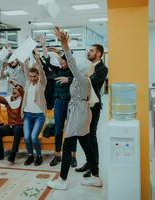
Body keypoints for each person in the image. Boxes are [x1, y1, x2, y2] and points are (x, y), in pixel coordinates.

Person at [47, 26, 96, 190]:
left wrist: (64, 44)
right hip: (80, 112)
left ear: (80, 69)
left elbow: (72, 64)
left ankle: (62, 180)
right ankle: (96, 176)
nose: (72, 65)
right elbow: (72, 66)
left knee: (67, 146)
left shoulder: (82, 79)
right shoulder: (83, 80)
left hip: (78, 113)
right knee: (86, 145)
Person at [37, 35, 77, 167]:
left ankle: (72, 156)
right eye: (60, 61)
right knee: (58, 130)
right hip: (58, 103)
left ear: (68, 61)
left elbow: (81, 81)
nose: (60, 63)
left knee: (71, 131)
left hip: (70, 103)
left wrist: (69, 80)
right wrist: (43, 44)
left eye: (63, 61)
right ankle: (57, 155)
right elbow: (47, 60)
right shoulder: (57, 70)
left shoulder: (74, 72)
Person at [75, 44, 108, 186]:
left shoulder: (102, 69)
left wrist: (78, 78)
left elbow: (91, 83)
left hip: (93, 106)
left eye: (92, 50)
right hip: (83, 104)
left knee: (91, 135)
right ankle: (89, 163)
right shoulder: (87, 66)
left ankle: (95, 167)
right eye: (88, 50)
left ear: (99, 54)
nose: (88, 52)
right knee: (84, 135)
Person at [21, 48, 47, 166]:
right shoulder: (27, 83)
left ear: (38, 76)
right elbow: (25, 67)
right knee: (26, 138)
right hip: (27, 114)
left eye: (34, 76)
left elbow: (41, 72)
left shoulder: (42, 84)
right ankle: (31, 155)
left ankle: (39, 156)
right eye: (31, 76)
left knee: (33, 137)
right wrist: (26, 52)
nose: (32, 78)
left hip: (39, 115)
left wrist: (38, 60)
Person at [0, 79, 24, 163]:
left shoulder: (23, 101)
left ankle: (13, 154)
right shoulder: (8, 100)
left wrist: (16, 84)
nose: (14, 90)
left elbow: (23, 93)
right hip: (10, 126)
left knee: (17, 129)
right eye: (13, 89)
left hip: (20, 127)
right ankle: (0, 153)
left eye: (16, 89)